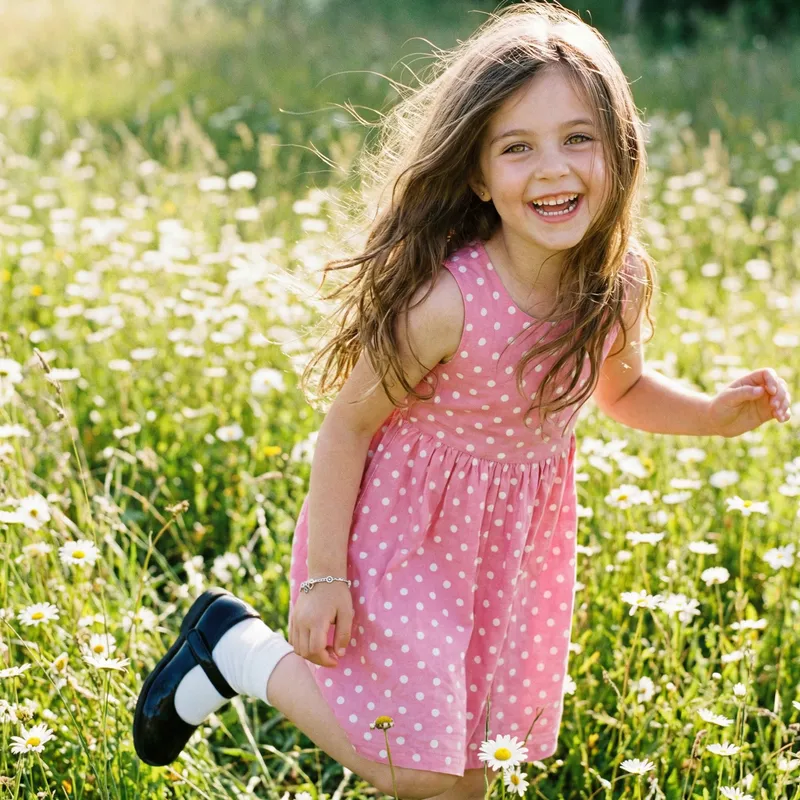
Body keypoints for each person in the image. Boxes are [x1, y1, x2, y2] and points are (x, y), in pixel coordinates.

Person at [132, 3, 792, 799]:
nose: (552, 170)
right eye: (518, 148)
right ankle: (237, 652)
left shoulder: (616, 285)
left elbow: (622, 390)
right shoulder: (449, 303)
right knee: (416, 769)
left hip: (508, 555)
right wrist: (323, 579)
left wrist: (710, 415)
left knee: (470, 773)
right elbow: (348, 426)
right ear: (478, 175)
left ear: (620, 150)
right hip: (404, 539)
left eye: (578, 138)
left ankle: (237, 655)